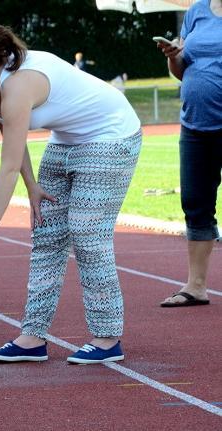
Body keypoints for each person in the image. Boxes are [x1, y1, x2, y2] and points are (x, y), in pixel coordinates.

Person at [0, 19, 141, 364]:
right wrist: (32, 187)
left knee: (87, 235)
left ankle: (107, 338)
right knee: (45, 233)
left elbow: (7, 167)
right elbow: (10, 138)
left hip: (110, 135)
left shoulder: (19, 84)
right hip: (66, 140)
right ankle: (32, 336)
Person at [157, 0, 222, 307]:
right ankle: (196, 286)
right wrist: (175, 57)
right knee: (195, 203)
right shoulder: (197, 11)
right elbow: (182, 71)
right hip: (195, 125)